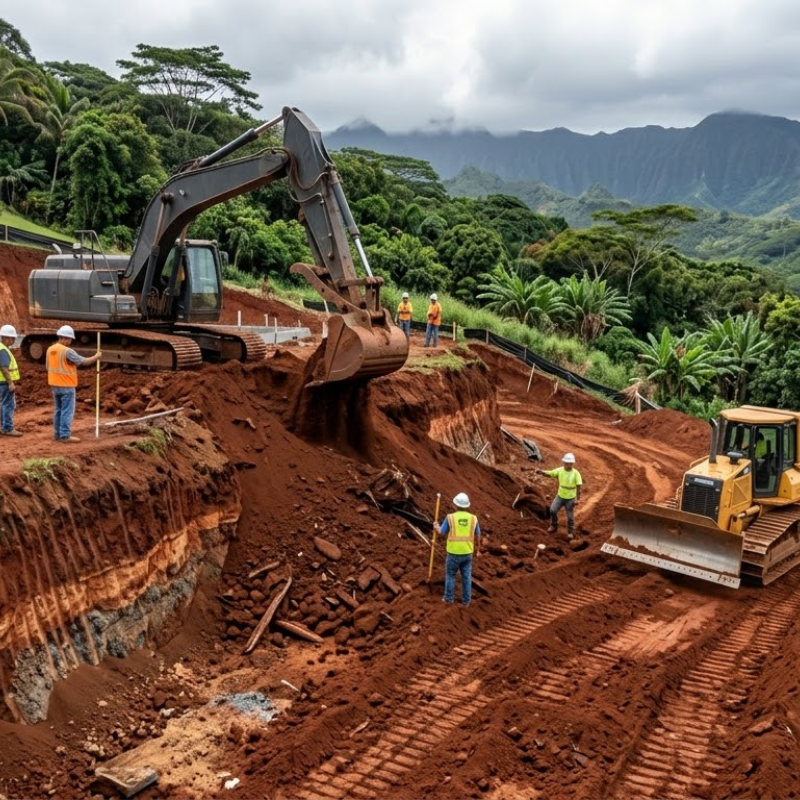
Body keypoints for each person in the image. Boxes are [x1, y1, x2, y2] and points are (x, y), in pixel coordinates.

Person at [46, 325, 102, 443]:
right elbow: (84, 362)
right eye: (70, 339)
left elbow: (48, 366)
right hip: (66, 386)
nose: (70, 342)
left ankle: (57, 434)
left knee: (58, 410)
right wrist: (96, 357)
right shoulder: (67, 351)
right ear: (65, 338)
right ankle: (65, 435)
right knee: (67, 411)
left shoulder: (50, 349)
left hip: (54, 385)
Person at [435, 492, 481, 607]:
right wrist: (477, 549)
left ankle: (448, 599)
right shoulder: (473, 518)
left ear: (455, 505)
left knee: (450, 575)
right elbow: (478, 535)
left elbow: (441, 532)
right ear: (467, 505)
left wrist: (436, 527)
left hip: (453, 553)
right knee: (466, 576)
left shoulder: (450, 518)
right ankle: (466, 601)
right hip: (467, 552)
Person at [536, 452, 583, 539]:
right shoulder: (560, 470)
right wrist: (542, 472)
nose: (568, 465)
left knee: (570, 516)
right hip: (560, 496)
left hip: (570, 498)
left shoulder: (576, 473)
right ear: (564, 462)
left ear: (573, 464)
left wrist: (578, 499)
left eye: (570, 464)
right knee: (553, 510)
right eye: (566, 463)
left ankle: (570, 532)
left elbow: (579, 487)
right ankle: (554, 525)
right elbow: (551, 473)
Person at [0, 324, 21, 436]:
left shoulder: (2, 348)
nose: (13, 340)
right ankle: (7, 428)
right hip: (5, 383)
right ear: (5, 337)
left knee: (4, 404)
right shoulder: (3, 350)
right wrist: (10, 383)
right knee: (8, 405)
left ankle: (4, 426)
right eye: (12, 338)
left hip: (2, 382)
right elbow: (4, 368)